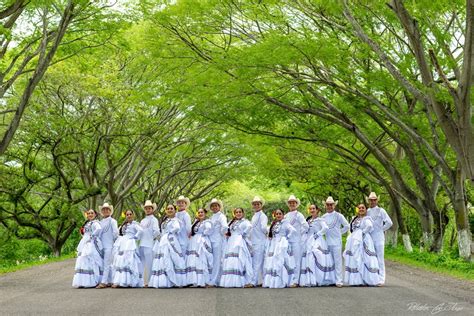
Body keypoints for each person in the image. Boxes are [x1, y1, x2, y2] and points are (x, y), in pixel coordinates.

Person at [344, 204, 382, 286]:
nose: (361, 209)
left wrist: (362, 233)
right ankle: (357, 280)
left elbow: (369, 226)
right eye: (359, 208)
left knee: (364, 258)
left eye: (363, 208)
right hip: (354, 239)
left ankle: (368, 279)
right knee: (355, 258)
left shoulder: (366, 219)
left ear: (365, 210)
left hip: (363, 240)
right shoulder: (355, 219)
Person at [149, 204, 186, 288]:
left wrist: (169, 232)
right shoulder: (166, 220)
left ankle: (175, 280)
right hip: (163, 240)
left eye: (171, 209)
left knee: (172, 257)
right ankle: (165, 280)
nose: (170, 210)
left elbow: (177, 228)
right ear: (166, 210)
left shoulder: (175, 220)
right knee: (163, 258)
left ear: (175, 210)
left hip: (171, 239)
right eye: (168, 209)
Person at [299, 204, 336, 286]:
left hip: (317, 240)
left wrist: (318, 234)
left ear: (317, 210)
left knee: (318, 255)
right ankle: (311, 279)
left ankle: (320, 279)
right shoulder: (308, 220)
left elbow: (325, 228)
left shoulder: (320, 220)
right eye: (310, 209)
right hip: (308, 240)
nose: (312, 210)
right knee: (309, 258)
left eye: (313, 209)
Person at [220, 208, 254, 288]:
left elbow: (249, 227)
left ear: (242, 213)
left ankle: (239, 280)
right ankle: (230, 281)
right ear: (234, 214)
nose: (238, 213)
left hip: (239, 241)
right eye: (236, 212)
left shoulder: (245, 222)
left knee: (239, 259)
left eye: (240, 212)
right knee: (230, 259)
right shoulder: (231, 222)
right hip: (231, 241)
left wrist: (243, 234)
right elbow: (225, 230)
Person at [262, 209, 296, 288]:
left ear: (283, 215)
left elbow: (293, 230)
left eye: (280, 214)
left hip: (281, 244)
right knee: (273, 261)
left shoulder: (285, 223)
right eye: (277, 214)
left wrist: (286, 237)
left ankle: (284, 281)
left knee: (282, 261)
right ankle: (273, 282)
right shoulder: (274, 223)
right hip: (273, 244)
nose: (278, 215)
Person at [321, 196, 349, 288]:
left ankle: (339, 280)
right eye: (328, 205)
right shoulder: (323, 217)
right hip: (327, 242)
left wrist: (339, 233)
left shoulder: (339, 216)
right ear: (325, 206)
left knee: (338, 261)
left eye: (331, 205)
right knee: (329, 261)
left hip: (337, 242)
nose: (329, 206)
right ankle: (332, 279)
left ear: (334, 205)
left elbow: (346, 226)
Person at [111, 210, 144, 288]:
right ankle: (120, 281)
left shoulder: (135, 224)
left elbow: (141, 230)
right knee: (120, 260)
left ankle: (129, 281)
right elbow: (117, 232)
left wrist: (135, 237)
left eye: (130, 214)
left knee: (129, 260)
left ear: (133, 215)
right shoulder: (124, 224)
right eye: (127, 214)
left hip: (130, 243)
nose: (129, 216)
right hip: (123, 242)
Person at [72, 209, 103, 288]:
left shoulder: (95, 222)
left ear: (95, 214)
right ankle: (83, 282)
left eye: (92, 213)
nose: (90, 214)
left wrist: (92, 235)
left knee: (91, 259)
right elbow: (84, 232)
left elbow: (99, 229)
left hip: (91, 242)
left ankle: (93, 281)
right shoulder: (87, 223)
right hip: (84, 242)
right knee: (82, 259)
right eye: (88, 213)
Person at [367, 192, 393, 285]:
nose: (372, 201)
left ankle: (381, 279)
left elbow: (389, 222)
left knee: (380, 258)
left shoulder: (381, 211)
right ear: (368, 201)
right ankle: (373, 277)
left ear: (377, 200)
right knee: (371, 258)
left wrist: (381, 229)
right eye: (371, 200)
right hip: (370, 238)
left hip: (379, 238)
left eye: (374, 200)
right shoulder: (367, 211)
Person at [284, 195, 309, 287]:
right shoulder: (286, 216)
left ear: (296, 204)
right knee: (288, 260)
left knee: (296, 260)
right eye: (290, 203)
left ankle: (296, 280)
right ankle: (289, 279)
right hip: (287, 241)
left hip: (296, 241)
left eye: (293, 202)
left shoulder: (299, 215)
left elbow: (305, 226)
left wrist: (300, 234)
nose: (292, 204)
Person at [185, 208, 213, 287]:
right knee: (192, 259)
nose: (200, 214)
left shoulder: (207, 222)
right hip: (194, 241)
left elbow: (209, 228)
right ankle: (192, 280)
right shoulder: (196, 222)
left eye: (202, 212)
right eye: (199, 212)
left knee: (201, 258)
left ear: (205, 213)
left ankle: (201, 281)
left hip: (201, 241)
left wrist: (203, 234)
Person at [96, 203, 119, 289]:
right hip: (101, 246)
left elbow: (116, 233)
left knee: (107, 263)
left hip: (109, 245)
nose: (105, 211)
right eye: (104, 209)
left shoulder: (112, 221)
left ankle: (104, 282)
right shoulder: (100, 222)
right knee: (105, 264)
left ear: (110, 211)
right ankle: (110, 280)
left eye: (107, 209)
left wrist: (113, 242)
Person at [207, 198, 228, 287]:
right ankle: (217, 279)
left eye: (216, 205)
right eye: (213, 206)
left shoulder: (221, 216)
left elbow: (225, 227)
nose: (214, 207)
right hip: (211, 240)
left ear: (219, 207)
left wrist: (221, 235)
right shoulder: (212, 217)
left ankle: (214, 281)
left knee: (217, 260)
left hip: (218, 240)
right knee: (213, 260)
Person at [139, 200, 160, 287]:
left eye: (149, 208)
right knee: (142, 263)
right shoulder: (142, 220)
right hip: (141, 244)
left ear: (152, 209)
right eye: (146, 208)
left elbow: (156, 231)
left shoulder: (154, 219)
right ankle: (142, 281)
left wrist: (152, 238)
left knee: (149, 263)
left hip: (149, 243)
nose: (148, 210)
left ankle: (150, 281)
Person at [250, 196, 268, 287]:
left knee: (257, 262)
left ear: (261, 205)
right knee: (258, 262)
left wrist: (267, 234)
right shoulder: (254, 216)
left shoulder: (262, 216)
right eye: (255, 204)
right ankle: (260, 280)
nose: (256, 205)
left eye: (258, 204)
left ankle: (253, 282)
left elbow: (264, 228)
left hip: (260, 241)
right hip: (254, 241)